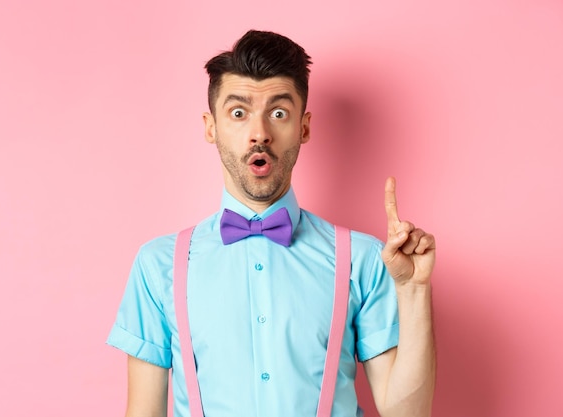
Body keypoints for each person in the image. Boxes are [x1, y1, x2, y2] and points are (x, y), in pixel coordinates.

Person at [107, 29, 436, 417]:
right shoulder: (158, 264)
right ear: (211, 127)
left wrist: (413, 291)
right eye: (238, 113)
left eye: (278, 113)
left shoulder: (363, 260)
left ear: (304, 127)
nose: (259, 133)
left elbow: (407, 414)